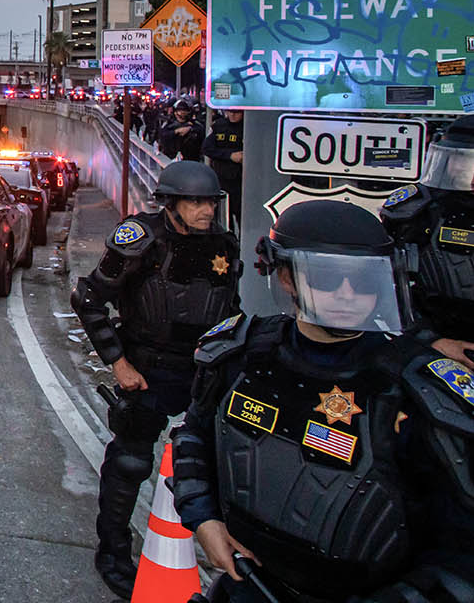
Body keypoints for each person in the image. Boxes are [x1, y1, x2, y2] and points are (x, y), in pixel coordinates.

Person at [172, 201, 474, 601]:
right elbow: (194, 435)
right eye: (330, 277)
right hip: (245, 584)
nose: (348, 294)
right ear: (286, 277)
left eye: (364, 281)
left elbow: (461, 551)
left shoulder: (415, 392)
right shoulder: (239, 355)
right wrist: (203, 518)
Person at [69, 160, 240, 598]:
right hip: (146, 368)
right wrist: (118, 363)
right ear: (172, 203)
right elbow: (88, 299)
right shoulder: (140, 239)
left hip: (202, 370)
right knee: (130, 464)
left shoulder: (224, 242)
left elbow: (229, 308)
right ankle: (112, 553)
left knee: (214, 463)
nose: (206, 210)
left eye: (210, 202)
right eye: (195, 202)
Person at [381, 114, 474, 370]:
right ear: (448, 160)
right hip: (429, 351)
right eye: (464, 163)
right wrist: (430, 340)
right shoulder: (413, 213)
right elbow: (380, 288)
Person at [201, 107, 244, 229]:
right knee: (223, 218)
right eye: (230, 112)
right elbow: (206, 149)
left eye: (237, 112)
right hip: (221, 178)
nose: (233, 115)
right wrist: (229, 155)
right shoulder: (218, 126)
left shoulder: (248, 127)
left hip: (241, 180)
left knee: (242, 218)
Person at [159, 98, 204, 162]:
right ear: (175, 113)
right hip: (172, 157)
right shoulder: (169, 125)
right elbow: (163, 136)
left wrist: (190, 129)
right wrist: (176, 131)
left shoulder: (194, 124)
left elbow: (201, 132)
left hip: (191, 158)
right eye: (180, 110)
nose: (182, 112)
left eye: (184, 110)